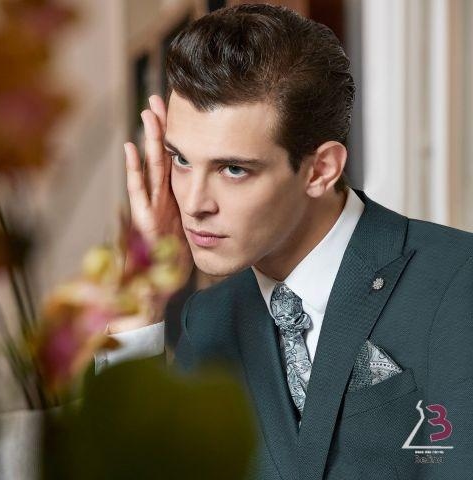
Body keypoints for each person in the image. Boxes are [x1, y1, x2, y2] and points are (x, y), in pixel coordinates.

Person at [99, 4, 473, 479]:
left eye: (234, 169)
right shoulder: (208, 320)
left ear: (320, 170)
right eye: (182, 160)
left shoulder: (458, 279)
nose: (193, 203)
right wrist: (141, 301)